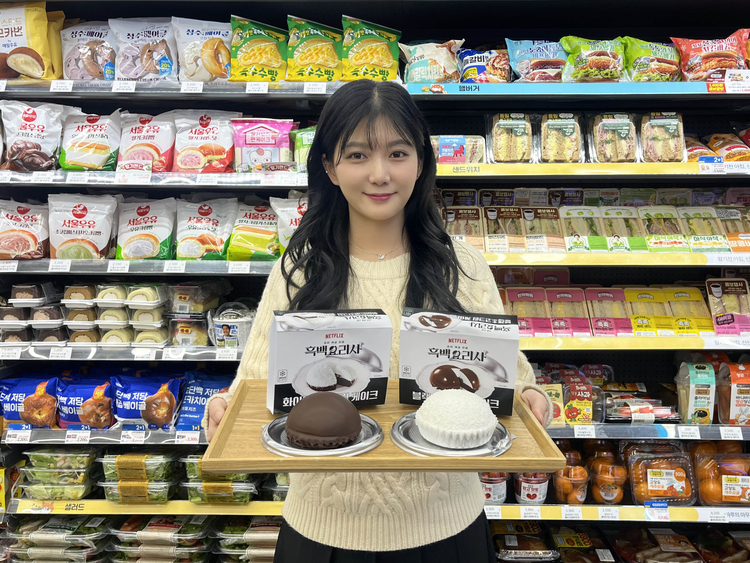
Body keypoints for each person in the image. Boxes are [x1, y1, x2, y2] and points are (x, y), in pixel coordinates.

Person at [203, 80, 552, 563]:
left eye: (398, 153)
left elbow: (512, 380)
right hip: (322, 531)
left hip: (448, 526)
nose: (380, 174)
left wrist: (532, 398)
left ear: (421, 161)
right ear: (330, 166)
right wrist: (223, 408)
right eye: (357, 155)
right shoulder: (300, 268)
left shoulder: (464, 266)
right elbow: (255, 384)